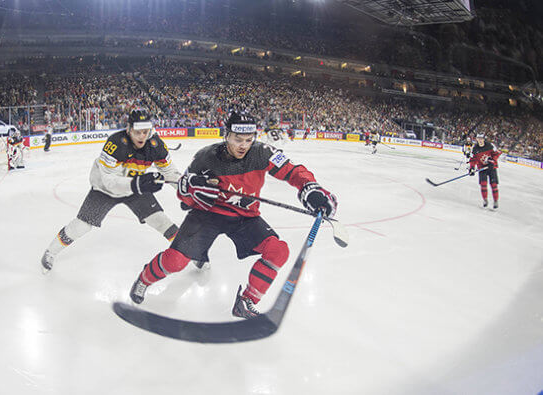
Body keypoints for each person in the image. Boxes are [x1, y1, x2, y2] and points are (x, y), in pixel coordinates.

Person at [127, 111, 338, 319]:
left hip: (245, 216)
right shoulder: (205, 157)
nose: (243, 145)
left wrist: (310, 187)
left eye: (248, 139)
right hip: (207, 215)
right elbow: (184, 196)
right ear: (226, 135)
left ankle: (247, 301)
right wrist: (191, 191)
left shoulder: (263, 152)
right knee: (176, 262)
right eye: (238, 139)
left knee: (278, 251)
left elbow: (293, 171)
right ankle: (144, 280)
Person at [40, 109, 182, 273]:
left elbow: (170, 173)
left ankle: (189, 253)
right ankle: (51, 251)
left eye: (145, 132)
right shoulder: (115, 144)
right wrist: (138, 184)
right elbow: (110, 182)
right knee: (82, 225)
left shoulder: (156, 145)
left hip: (135, 186)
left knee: (160, 220)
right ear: (129, 129)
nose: (142, 136)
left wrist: (188, 188)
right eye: (137, 132)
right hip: (105, 190)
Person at [468, 133, 501, 209]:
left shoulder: (490, 145)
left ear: (483, 139)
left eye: (481, 138)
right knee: (483, 184)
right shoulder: (475, 148)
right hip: (482, 168)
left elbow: (497, 153)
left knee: (494, 185)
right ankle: (485, 200)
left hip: (491, 168)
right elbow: (473, 159)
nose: (480, 140)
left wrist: (492, 160)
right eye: (478, 138)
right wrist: (472, 168)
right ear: (476, 139)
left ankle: (495, 201)